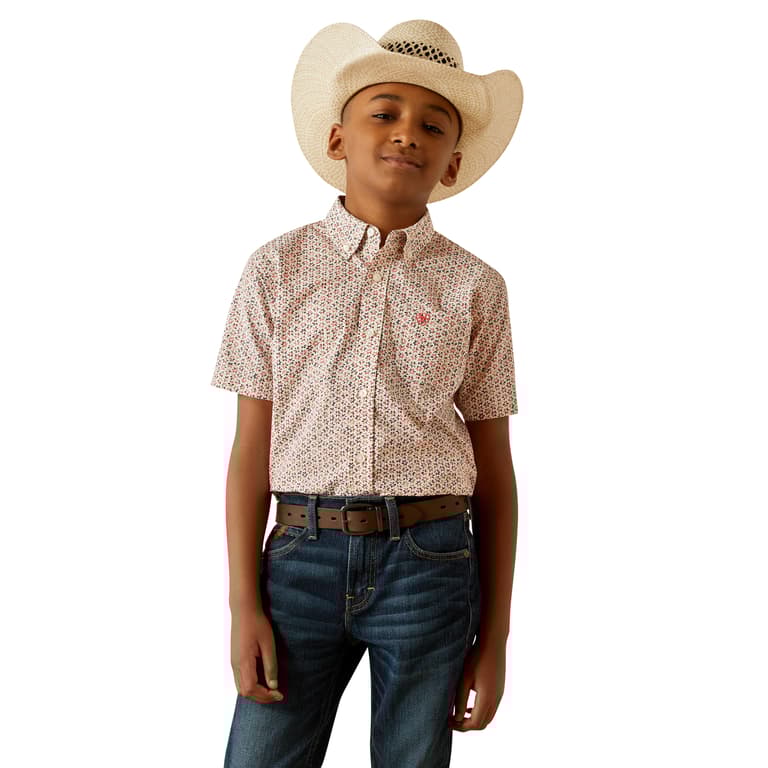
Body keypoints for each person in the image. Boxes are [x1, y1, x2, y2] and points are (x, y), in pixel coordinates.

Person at [210, 19, 523, 768]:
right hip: (300, 561)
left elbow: (496, 468)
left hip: (432, 564)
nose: (407, 133)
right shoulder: (276, 270)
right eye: (384, 112)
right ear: (337, 139)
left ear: (452, 164)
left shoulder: (475, 287)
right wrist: (244, 603)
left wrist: (495, 637)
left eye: (433, 125)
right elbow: (251, 450)